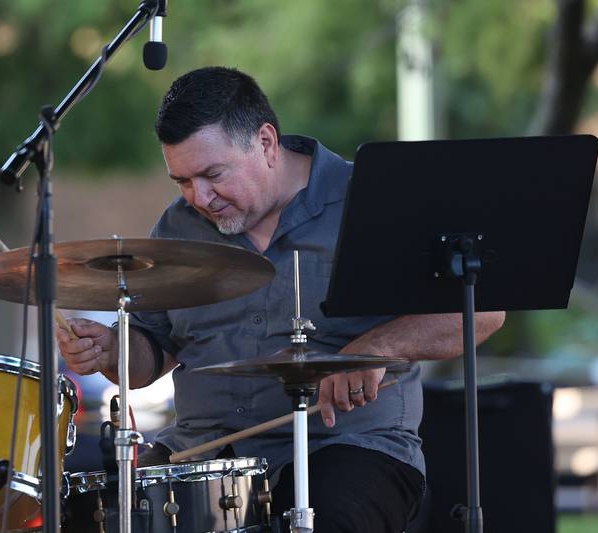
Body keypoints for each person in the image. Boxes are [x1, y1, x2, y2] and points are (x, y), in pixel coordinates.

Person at [57, 66, 506, 532]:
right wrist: (111, 350)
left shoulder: (372, 200)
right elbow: (154, 350)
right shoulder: (177, 228)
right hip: (203, 451)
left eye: (212, 174)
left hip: (347, 448)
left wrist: (381, 348)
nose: (200, 197)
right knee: (98, 518)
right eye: (183, 181)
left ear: (266, 142)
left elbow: (483, 311)